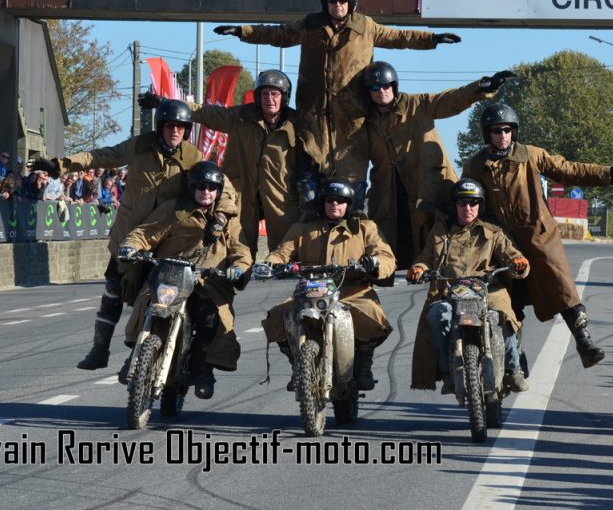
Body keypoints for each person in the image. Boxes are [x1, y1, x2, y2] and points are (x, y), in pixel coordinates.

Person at [31, 100, 235, 372]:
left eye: (180, 127)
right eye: (169, 126)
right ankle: (99, 349)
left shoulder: (193, 156)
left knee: (159, 298)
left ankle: (158, 357)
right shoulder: (139, 146)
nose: (174, 131)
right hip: (130, 236)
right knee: (114, 291)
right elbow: (100, 156)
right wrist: (60, 166)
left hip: (167, 238)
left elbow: (222, 185)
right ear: (160, 126)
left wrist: (221, 215)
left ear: (186, 130)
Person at [214, 0, 461, 197]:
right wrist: (243, 31)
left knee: (350, 197)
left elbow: (400, 37)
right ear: (325, 3)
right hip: (312, 123)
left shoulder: (366, 27)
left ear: (351, 4)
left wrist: (432, 39)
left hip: (351, 124)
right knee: (309, 198)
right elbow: (278, 34)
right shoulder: (310, 26)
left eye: (343, 1)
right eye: (333, 1)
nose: (338, 6)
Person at [462, 103, 613, 368]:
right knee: (507, 301)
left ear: (514, 131)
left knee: (563, 288)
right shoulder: (475, 165)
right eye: (497, 131)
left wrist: (608, 173)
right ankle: (514, 357)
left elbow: (566, 169)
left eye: (508, 130)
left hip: (540, 235)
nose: (503, 136)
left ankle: (584, 342)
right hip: (502, 243)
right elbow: (467, 199)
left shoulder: (530, 155)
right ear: (487, 134)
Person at [118, 161, 251, 399]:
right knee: (147, 305)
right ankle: (136, 356)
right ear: (191, 187)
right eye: (201, 186)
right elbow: (145, 233)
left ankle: (203, 369)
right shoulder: (173, 210)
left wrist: (239, 268)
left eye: (212, 187)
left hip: (206, 283)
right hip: (169, 277)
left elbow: (241, 249)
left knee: (210, 320)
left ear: (219, 190)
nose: (206, 192)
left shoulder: (228, 219)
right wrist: (130, 246)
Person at [364, 61, 511, 268]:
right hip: (391, 196)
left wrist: (480, 88)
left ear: (395, 86)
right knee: (394, 255)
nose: (381, 91)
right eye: (375, 88)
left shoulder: (418, 105)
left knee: (446, 257)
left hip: (432, 190)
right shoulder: (364, 120)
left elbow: (450, 100)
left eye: (386, 85)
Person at [141, 69, 300, 258]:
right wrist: (166, 104)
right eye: (264, 94)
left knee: (287, 254)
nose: (269, 99)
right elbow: (206, 113)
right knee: (238, 248)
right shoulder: (241, 117)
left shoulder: (296, 124)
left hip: (281, 195)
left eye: (275, 94)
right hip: (241, 192)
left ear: (284, 97)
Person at [260, 179, 396, 391]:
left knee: (370, 315)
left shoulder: (364, 228)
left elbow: (385, 255)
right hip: (310, 289)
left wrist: (375, 264)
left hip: (352, 290)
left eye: (341, 200)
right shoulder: (301, 229)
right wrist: (271, 264)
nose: (335, 204)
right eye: (330, 200)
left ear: (349, 204)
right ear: (321, 203)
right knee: (278, 315)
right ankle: (297, 364)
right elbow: (281, 252)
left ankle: (361, 364)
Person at [407, 178, 531, 394]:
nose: (467, 208)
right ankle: (447, 372)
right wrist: (418, 268)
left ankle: (514, 370)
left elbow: (512, 255)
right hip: (450, 292)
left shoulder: (493, 232)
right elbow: (425, 258)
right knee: (437, 315)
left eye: (473, 203)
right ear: (455, 205)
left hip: (488, 290)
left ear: (480, 206)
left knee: (504, 316)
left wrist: (518, 263)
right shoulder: (440, 232)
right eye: (462, 203)